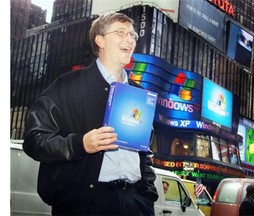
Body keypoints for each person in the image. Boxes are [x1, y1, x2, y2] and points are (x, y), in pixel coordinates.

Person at [23, 12, 158, 215]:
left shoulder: (139, 95)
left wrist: (146, 196)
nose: (130, 39)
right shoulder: (68, 85)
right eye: (121, 32)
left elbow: (145, 154)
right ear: (100, 40)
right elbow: (35, 140)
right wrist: (80, 144)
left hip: (134, 204)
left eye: (132, 35)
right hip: (85, 204)